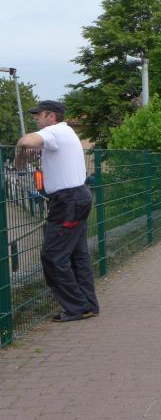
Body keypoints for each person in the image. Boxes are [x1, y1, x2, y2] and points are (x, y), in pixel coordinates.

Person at [15, 100, 100, 323]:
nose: (36, 118)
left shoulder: (54, 132)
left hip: (67, 203)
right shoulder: (66, 132)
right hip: (77, 198)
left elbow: (26, 141)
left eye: (39, 115)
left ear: (51, 116)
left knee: (53, 256)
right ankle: (88, 305)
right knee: (78, 255)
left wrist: (19, 157)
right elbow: (38, 147)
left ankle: (77, 307)